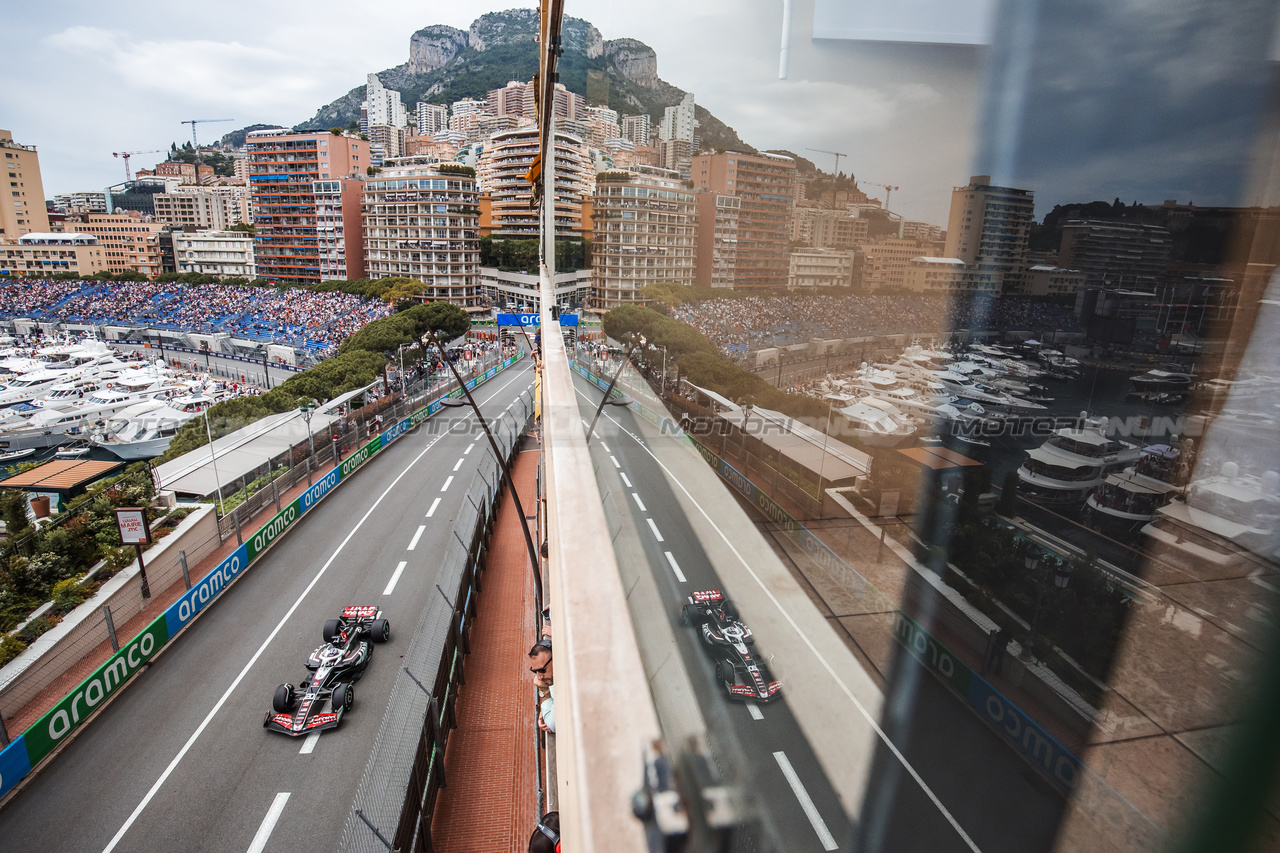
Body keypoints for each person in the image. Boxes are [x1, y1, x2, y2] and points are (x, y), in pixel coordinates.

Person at [528, 638, 554, 733]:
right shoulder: (552, 680)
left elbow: (551, 725)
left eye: (542, 670)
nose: (539, 677)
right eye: (535, 671)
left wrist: (544, 691)